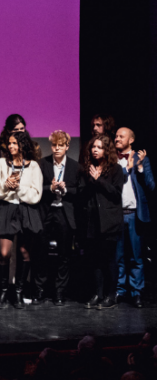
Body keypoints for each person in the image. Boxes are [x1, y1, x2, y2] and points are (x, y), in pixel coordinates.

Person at [0, 130, 43, 309]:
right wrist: (6, 185)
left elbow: (36, 194)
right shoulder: (1, 163)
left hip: (26, 210)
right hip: (6, 208)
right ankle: (3, 291)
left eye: (14, 143)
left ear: (22, 145)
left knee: (25, 252)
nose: (10, 146)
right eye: (9, 143)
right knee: (4, 253)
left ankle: (18, 292)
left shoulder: (33, 166)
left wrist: (18, 188)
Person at [78, 135, 127, 309]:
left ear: (106, 150)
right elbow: (82, 193)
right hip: (92, 221)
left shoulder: (116, 169)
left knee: (109, 259)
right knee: (95, 259)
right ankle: (97, 294)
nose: (95, 150)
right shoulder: (87, 169)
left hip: (109, 221)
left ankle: (111, 295)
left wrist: (99, 180)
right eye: (93, 147)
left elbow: (116, 193)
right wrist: (91, 180)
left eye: (99, 147)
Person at [33, 130, 80, 306]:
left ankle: (60, 291)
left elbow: (80, 190)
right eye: (54, 145)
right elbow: (36, 187)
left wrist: (65, 190)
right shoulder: (41, 164)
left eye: (61, 145)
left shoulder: (75, 167)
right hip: (46, 211)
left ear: (67, 146)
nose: (57, 148)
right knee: (40, 251)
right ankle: (40, 289)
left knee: (64, 253)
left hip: (64, 212)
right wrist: (50, 188)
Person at [114, 127, 155, 307]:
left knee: (136, 256)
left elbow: (151, 186)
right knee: (118, 256)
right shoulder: (112, 159)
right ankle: (120, 290)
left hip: (134, 215)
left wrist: (139, 168)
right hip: (116, 214)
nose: (117, 139)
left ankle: (136, 291)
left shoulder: (141, 159)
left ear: (131, 140)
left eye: (121, 136)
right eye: (116, 136)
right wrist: (125, 169)